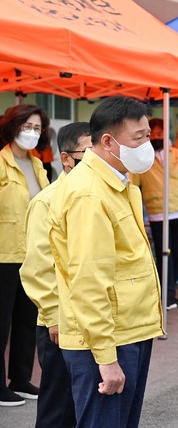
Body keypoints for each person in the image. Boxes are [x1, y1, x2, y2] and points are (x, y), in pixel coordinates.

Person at [49, 96, 164, 428]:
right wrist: (106, 358)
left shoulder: (117, 183)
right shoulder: (89, 194)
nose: (147, 145)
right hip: (105, 340)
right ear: (108, 141)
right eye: (139, 137)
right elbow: (89, 280)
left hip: (127, 330)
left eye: (148, 136)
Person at [20, 122, 91, 426]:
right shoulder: (47, 202)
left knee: (86, 400)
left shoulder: (97, 196)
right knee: (58, 405)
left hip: (93, 315)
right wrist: (53, 315)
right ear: (66, 159)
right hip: (60, 320)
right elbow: (38, 267)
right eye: (88, 153)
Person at [0, 104, 51, 407]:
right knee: (1, 322)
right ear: (11, 126)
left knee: (26, 319)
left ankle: (20, 378)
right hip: (3, 254)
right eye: (26, 126)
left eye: (36, 128)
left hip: (32, 254)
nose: (31, 132)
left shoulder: (37, 165)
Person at [131, 118, 178, 310]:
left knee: (177, 253)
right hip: (158, 214)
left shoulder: (177, 155)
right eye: (154, 134)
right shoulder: (142, 158)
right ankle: (166, 295)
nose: (157, 136)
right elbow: (134, 188)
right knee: (163, 254)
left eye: (160, 133)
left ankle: (170, 292)